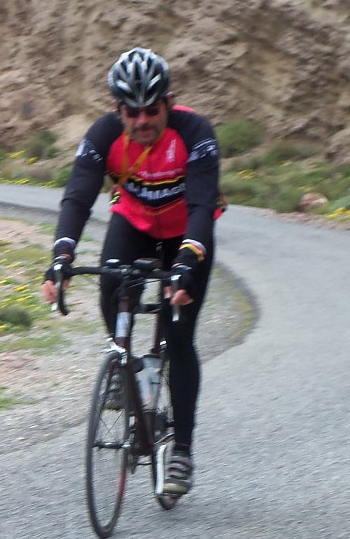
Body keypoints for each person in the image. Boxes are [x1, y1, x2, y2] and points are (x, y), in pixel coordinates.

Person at [41, 47, 221, 495]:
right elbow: (78, 196)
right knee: (109, 282)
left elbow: (202, 203)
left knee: (179, 336)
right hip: (136, 221)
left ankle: (181, 449)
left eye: (152, 110)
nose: (142, 121)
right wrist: (61, 256)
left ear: (169, 101)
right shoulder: (104, 135)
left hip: (185, 230)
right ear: (117, 110)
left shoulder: (195, 132)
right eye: (131, 111)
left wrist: (185, 264)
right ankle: (124, 365)